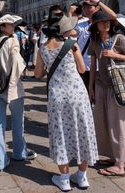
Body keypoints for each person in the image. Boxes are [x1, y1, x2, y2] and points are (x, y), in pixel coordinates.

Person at [35, 15, 98, 191]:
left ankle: (63, 178)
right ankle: (82, 176)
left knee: (61, 132)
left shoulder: (42, 48)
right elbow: (82, 69)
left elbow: (38, 74)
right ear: (62, 30)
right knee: (83, 130)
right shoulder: (72, 45)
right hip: (77, 94)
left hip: (57, 96)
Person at [87, 10, 125, 177]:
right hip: (101, 87)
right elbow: (93, 66)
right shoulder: (94, 41)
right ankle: (113, 156)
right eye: (103, 22)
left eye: (108, 21)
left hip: (118, 87)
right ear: (96, 25)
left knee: (119, 125)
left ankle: (120, 164)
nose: (107, 24)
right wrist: (91, 88)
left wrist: (115, 54)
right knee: (103, 123)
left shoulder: (119, 39)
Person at [0, 13, 37, 172]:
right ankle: (18, 152)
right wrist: (19, 73)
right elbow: (17, 61)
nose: (13, 26)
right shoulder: (12, 40)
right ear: (2, 27)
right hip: (12, 88)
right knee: (17, 122)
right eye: (9, 24)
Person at [73, 0, 117, 91]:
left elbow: (114, 16)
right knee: (87, 93)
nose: (86, 9)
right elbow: (72, 33)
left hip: (101, 65)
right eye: (84, 7)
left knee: (100, 95)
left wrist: (98, 2)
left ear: (97, 8)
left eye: (89, 6)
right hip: (85, 65)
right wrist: (70, 14)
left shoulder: (105, 23)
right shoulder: (81, 24)